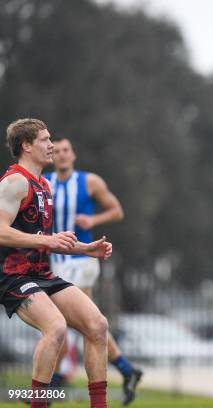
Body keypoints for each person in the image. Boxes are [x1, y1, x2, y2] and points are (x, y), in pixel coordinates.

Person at [0, 118, 112, 408]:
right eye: (44, 140)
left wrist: (87, 249)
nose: (52, 146)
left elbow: (45, 238)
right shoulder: (15, 182)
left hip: (42, 274)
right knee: (56, 327)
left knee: (98, 325)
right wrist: (48, 241)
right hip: (13, 277)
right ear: (26, 146)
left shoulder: (43, 185)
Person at [44, 138, 142, 406]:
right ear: (52, 156)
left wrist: (93, 220)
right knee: (89, 323)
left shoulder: (89, 182)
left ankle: (50, 389)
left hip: (83, 258)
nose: (62, 155)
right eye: (57, 151)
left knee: (64, 321)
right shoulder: (44, 183)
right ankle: (126, 369)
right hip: (56, 259)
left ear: (73, 154)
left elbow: (117, 211)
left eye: (66, 150)